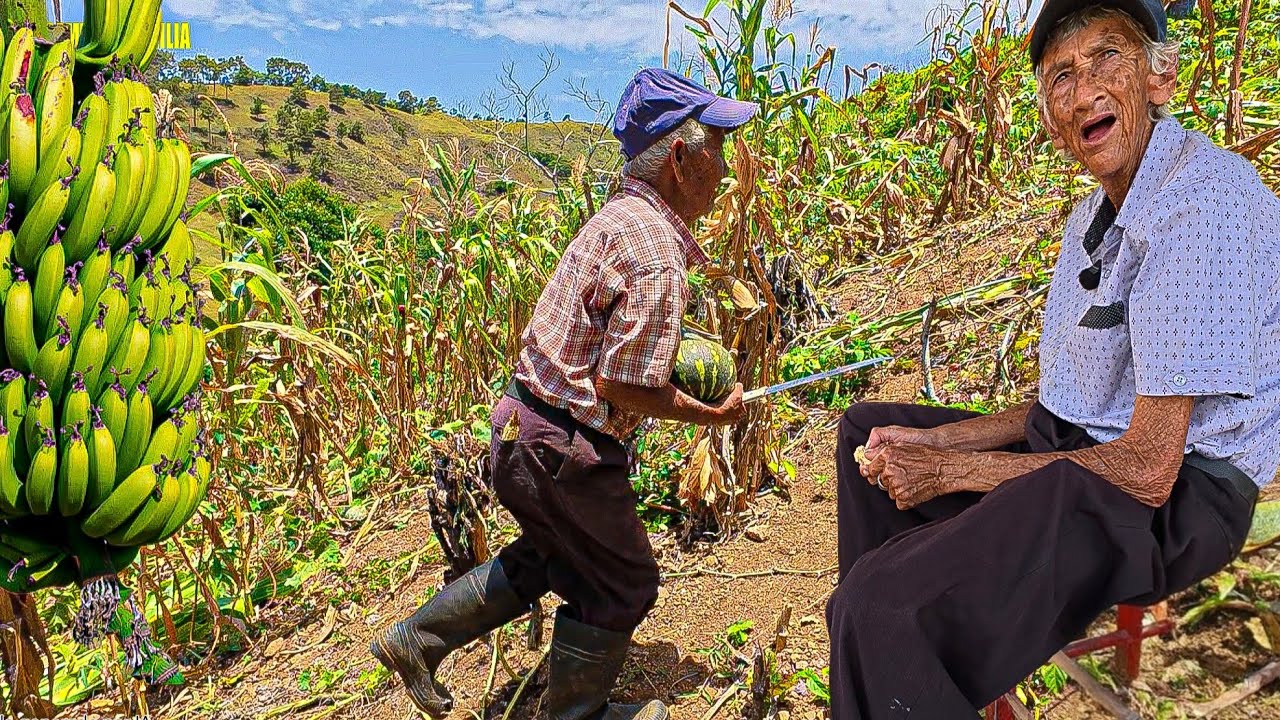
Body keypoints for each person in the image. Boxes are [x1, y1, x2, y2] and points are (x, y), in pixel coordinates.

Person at [825, 0, 1280, 717]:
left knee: (875, 611)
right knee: (866, 429)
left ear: (1158, 79)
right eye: (1062, 74)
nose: (1086, 88)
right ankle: (925, 657)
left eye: (1109, 56)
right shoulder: (1093, 215)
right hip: (1099, 449)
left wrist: (950, 470)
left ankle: (901, 632)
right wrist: (932, 440)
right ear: (1051, 114)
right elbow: (1062, 407)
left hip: (1187, 494)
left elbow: (1147, 470)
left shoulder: (1201, 204)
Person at [371, 67, 757, 720]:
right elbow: (622, 384)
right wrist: (707, 413)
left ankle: (416, 639)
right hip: (565, 451)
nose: (727, 166)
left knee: (551, 556)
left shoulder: (617, 219)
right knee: (624, 584)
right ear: (682, 159)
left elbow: (606, 337)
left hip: (517, 428)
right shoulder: (658, 253)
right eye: (719, 147)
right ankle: (575, 715)